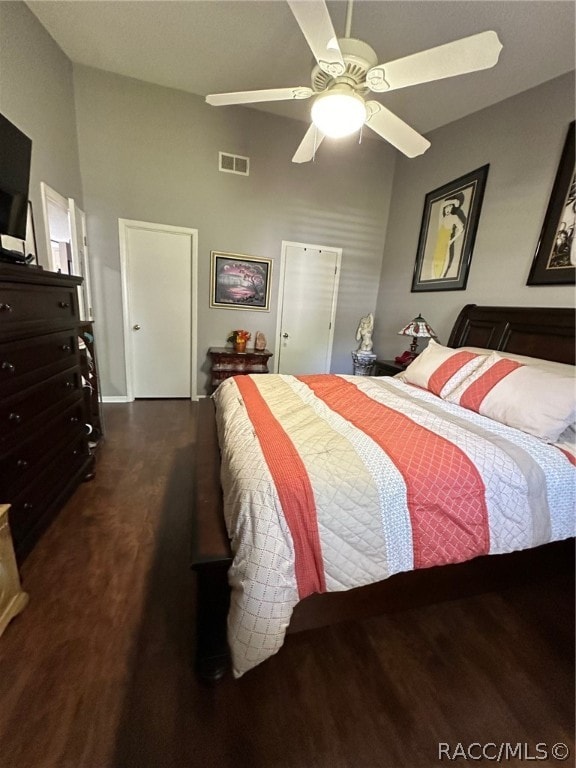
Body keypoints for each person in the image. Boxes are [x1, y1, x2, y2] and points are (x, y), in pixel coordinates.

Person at [432, 192, 466, 279]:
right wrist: (454, 201)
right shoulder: (442, 219)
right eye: (447, 207)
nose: (447, 209)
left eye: (450, 206)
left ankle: (440, 278)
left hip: (446, 243)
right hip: (438, 245)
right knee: (435, 264)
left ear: (452, 208)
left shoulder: (454, 218)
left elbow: (461, 228)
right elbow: (442, 205)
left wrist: (451, 240)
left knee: (444, 263)